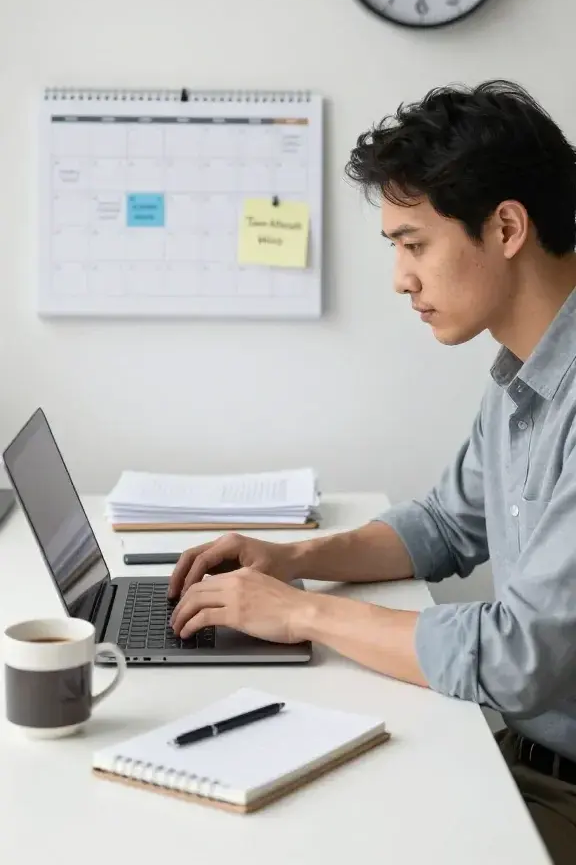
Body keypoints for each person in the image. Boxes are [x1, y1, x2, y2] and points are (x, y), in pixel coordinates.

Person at [168, 80, 576, 863]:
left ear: (507, 227)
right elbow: (446, 524)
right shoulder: (523, 377)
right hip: (522, 760)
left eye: (414, 243)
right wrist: (291, 559)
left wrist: (301, 615)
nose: (400, 277)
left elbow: (519, 658)